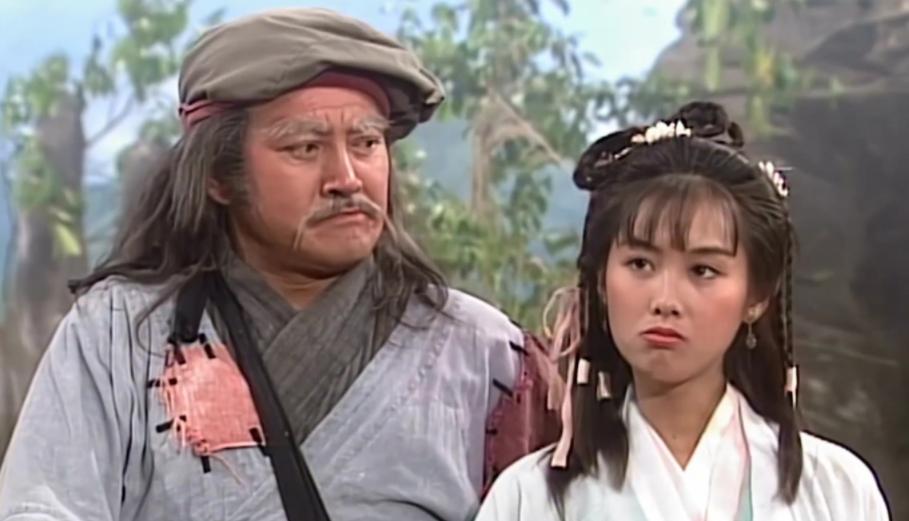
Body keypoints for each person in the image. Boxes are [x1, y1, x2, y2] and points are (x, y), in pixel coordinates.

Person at [0, 8, 558, 521]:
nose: (347, 178)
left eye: (366, 143)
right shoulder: (121, 333)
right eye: (305, 148)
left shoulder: (484, 352)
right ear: (219, 177)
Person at [475, 101, 891, 520]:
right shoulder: (530, 498)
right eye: (640, 264)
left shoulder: (836, 490)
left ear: (757, 296)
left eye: (703, 270)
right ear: (601, 280)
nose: (665, 300)